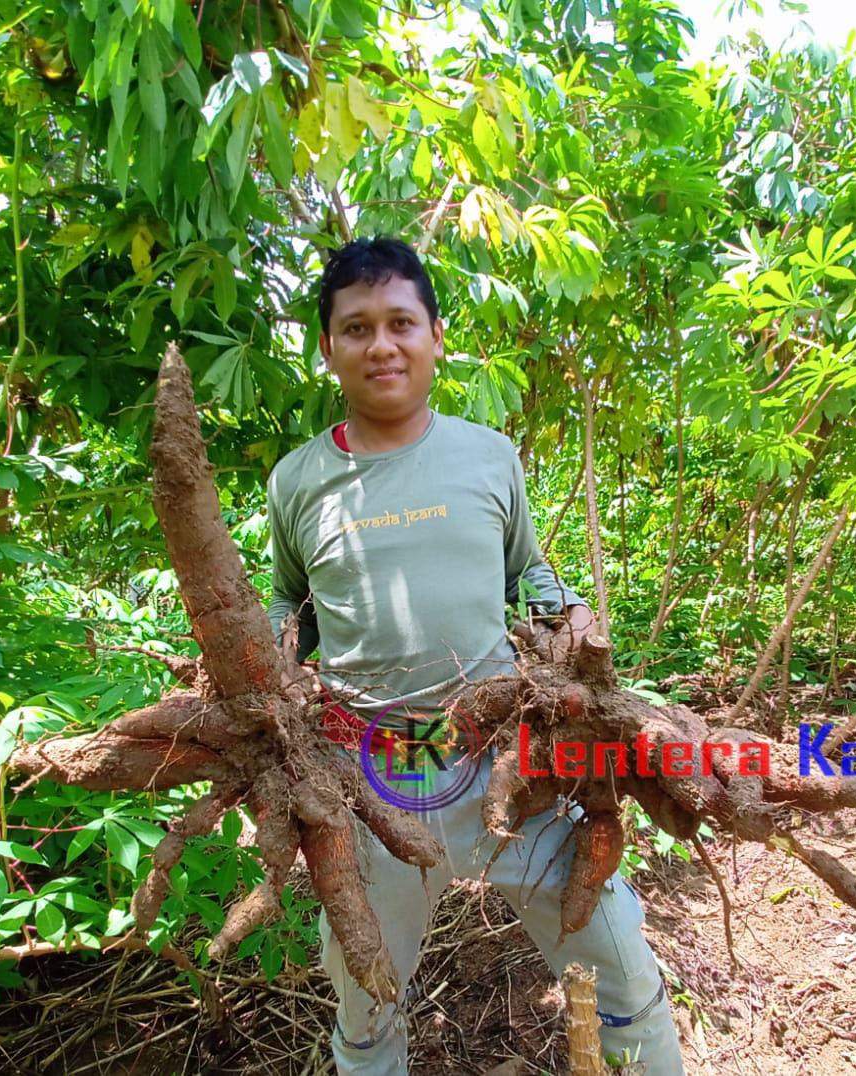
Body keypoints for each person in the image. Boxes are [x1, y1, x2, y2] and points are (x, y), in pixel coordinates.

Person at [263, 236, 685, 1075]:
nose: (381, 345)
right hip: (371, 777)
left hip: (507, 764)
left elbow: (528, 568)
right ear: (328, 347)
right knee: (366, 1002)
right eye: (356, 328)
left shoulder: (489, 455)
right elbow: (290, 604)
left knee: (624, 969)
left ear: (436, 336)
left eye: (400, 323)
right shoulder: (297, 481)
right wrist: (264, 667)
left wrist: (570, 617)